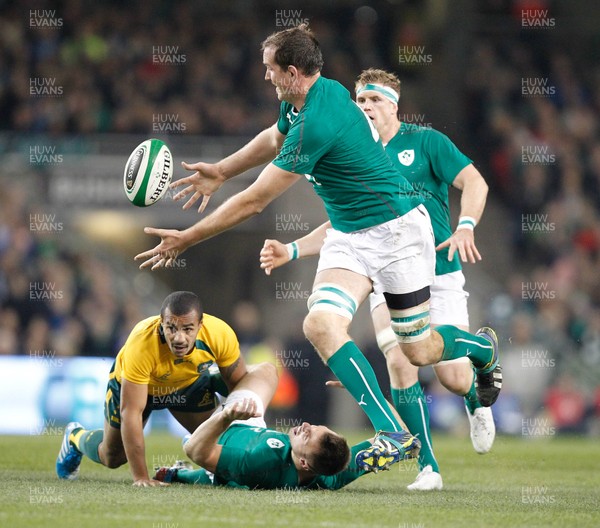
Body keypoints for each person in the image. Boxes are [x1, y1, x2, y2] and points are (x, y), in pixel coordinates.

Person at [134, 25, 502, 469]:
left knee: (420, 351)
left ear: (292, 72)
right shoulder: (303, 100)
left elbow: (254, 202)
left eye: (270, 69)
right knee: (320, 325)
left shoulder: (317, 122)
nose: (265, 76)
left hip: (398, 234)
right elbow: (272, 138)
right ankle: (393, 433)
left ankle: (481, 350)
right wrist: (221, 171)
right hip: (349, 236)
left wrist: (187, 237)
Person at [259, 69, 497, 490]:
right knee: (398, 357)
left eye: (375, 100)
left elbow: (474, 181)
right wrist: (293, 249)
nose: (366, 107)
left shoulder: (426, 142)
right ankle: (428, 464)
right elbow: (344, 222)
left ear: (394, 105)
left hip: (438, 269)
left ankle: (480, 361)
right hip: (383, 270)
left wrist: (466, 225)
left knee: (450, 376)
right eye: (361, 101)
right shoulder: (353, 145)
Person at [56, 291, 251, 486]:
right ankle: (75, 437)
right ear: (161, 323)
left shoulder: (220, 334)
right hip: (141, 389)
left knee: (219, 440)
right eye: (171, 328)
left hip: (186, 386)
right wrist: (141, 478)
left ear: (201, 325)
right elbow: (131, 412)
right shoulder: (142, 342)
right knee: (112, 457)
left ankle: (201, 472)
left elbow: (240, 385)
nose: (179, 338)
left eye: (188, 329)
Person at [153, 363, 417, 490]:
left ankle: (193, 379)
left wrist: (225, 417)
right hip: (251, 424)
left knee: (176, 388)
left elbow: (195, 451)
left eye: (307, 434)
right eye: (314, 426)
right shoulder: (336, 469)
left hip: (214, 430)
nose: (305, 425)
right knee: (268, 370)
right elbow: (404, 441)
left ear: (303, 463)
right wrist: (370, 397)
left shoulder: (259, 461)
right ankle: (206, 380)